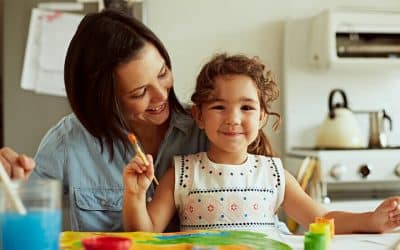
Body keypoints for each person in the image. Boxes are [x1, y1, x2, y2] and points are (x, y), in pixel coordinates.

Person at [122, 53, 400, 234]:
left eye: (246, 108)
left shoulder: (274, 174)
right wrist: (134, 196)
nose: (233, 119)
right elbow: (145, 236)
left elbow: (323, 219)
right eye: (219, 106)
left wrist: (370, 220)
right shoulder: (181, 173)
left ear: (263, 117)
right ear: (199, 116)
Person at [0, 9, 208, 232]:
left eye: (162, 73)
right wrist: (10, 185)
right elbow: (21, 214)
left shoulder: (205, 129)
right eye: (139, 93)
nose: (161, 95)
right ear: (104, 99)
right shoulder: (67, 142)